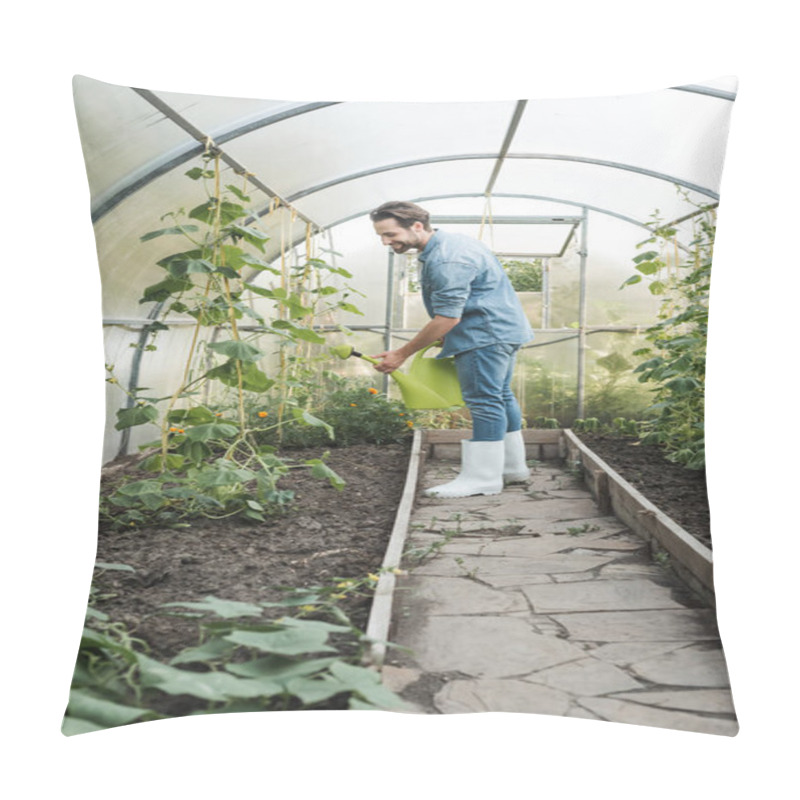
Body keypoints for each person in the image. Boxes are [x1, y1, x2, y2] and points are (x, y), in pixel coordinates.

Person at [369, 200, 534, 498]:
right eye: (381, 235)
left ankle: (483, 479)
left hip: (483, 335)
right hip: (502, 330)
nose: (385, 241)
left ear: (417, 226)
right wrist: (446, 333)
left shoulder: (446, 259)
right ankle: (513, 468)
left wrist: (400, 354)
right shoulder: (454, 243)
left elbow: (448, 316)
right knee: (500, 395)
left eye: (391, 234)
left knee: (483, 400)